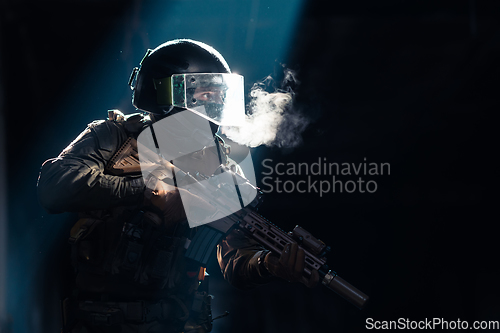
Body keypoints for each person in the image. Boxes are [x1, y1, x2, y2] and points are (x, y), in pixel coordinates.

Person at [37, 39, 318, 333]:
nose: (215, 105)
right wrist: (148, 193)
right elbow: (54, 187)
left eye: (220, 95)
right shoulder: (113, 138)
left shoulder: (222, 170)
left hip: (180, 324)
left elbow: (235, 261)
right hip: (101, 323)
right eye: (205, 94)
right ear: (164, 94)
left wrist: (271, 264)